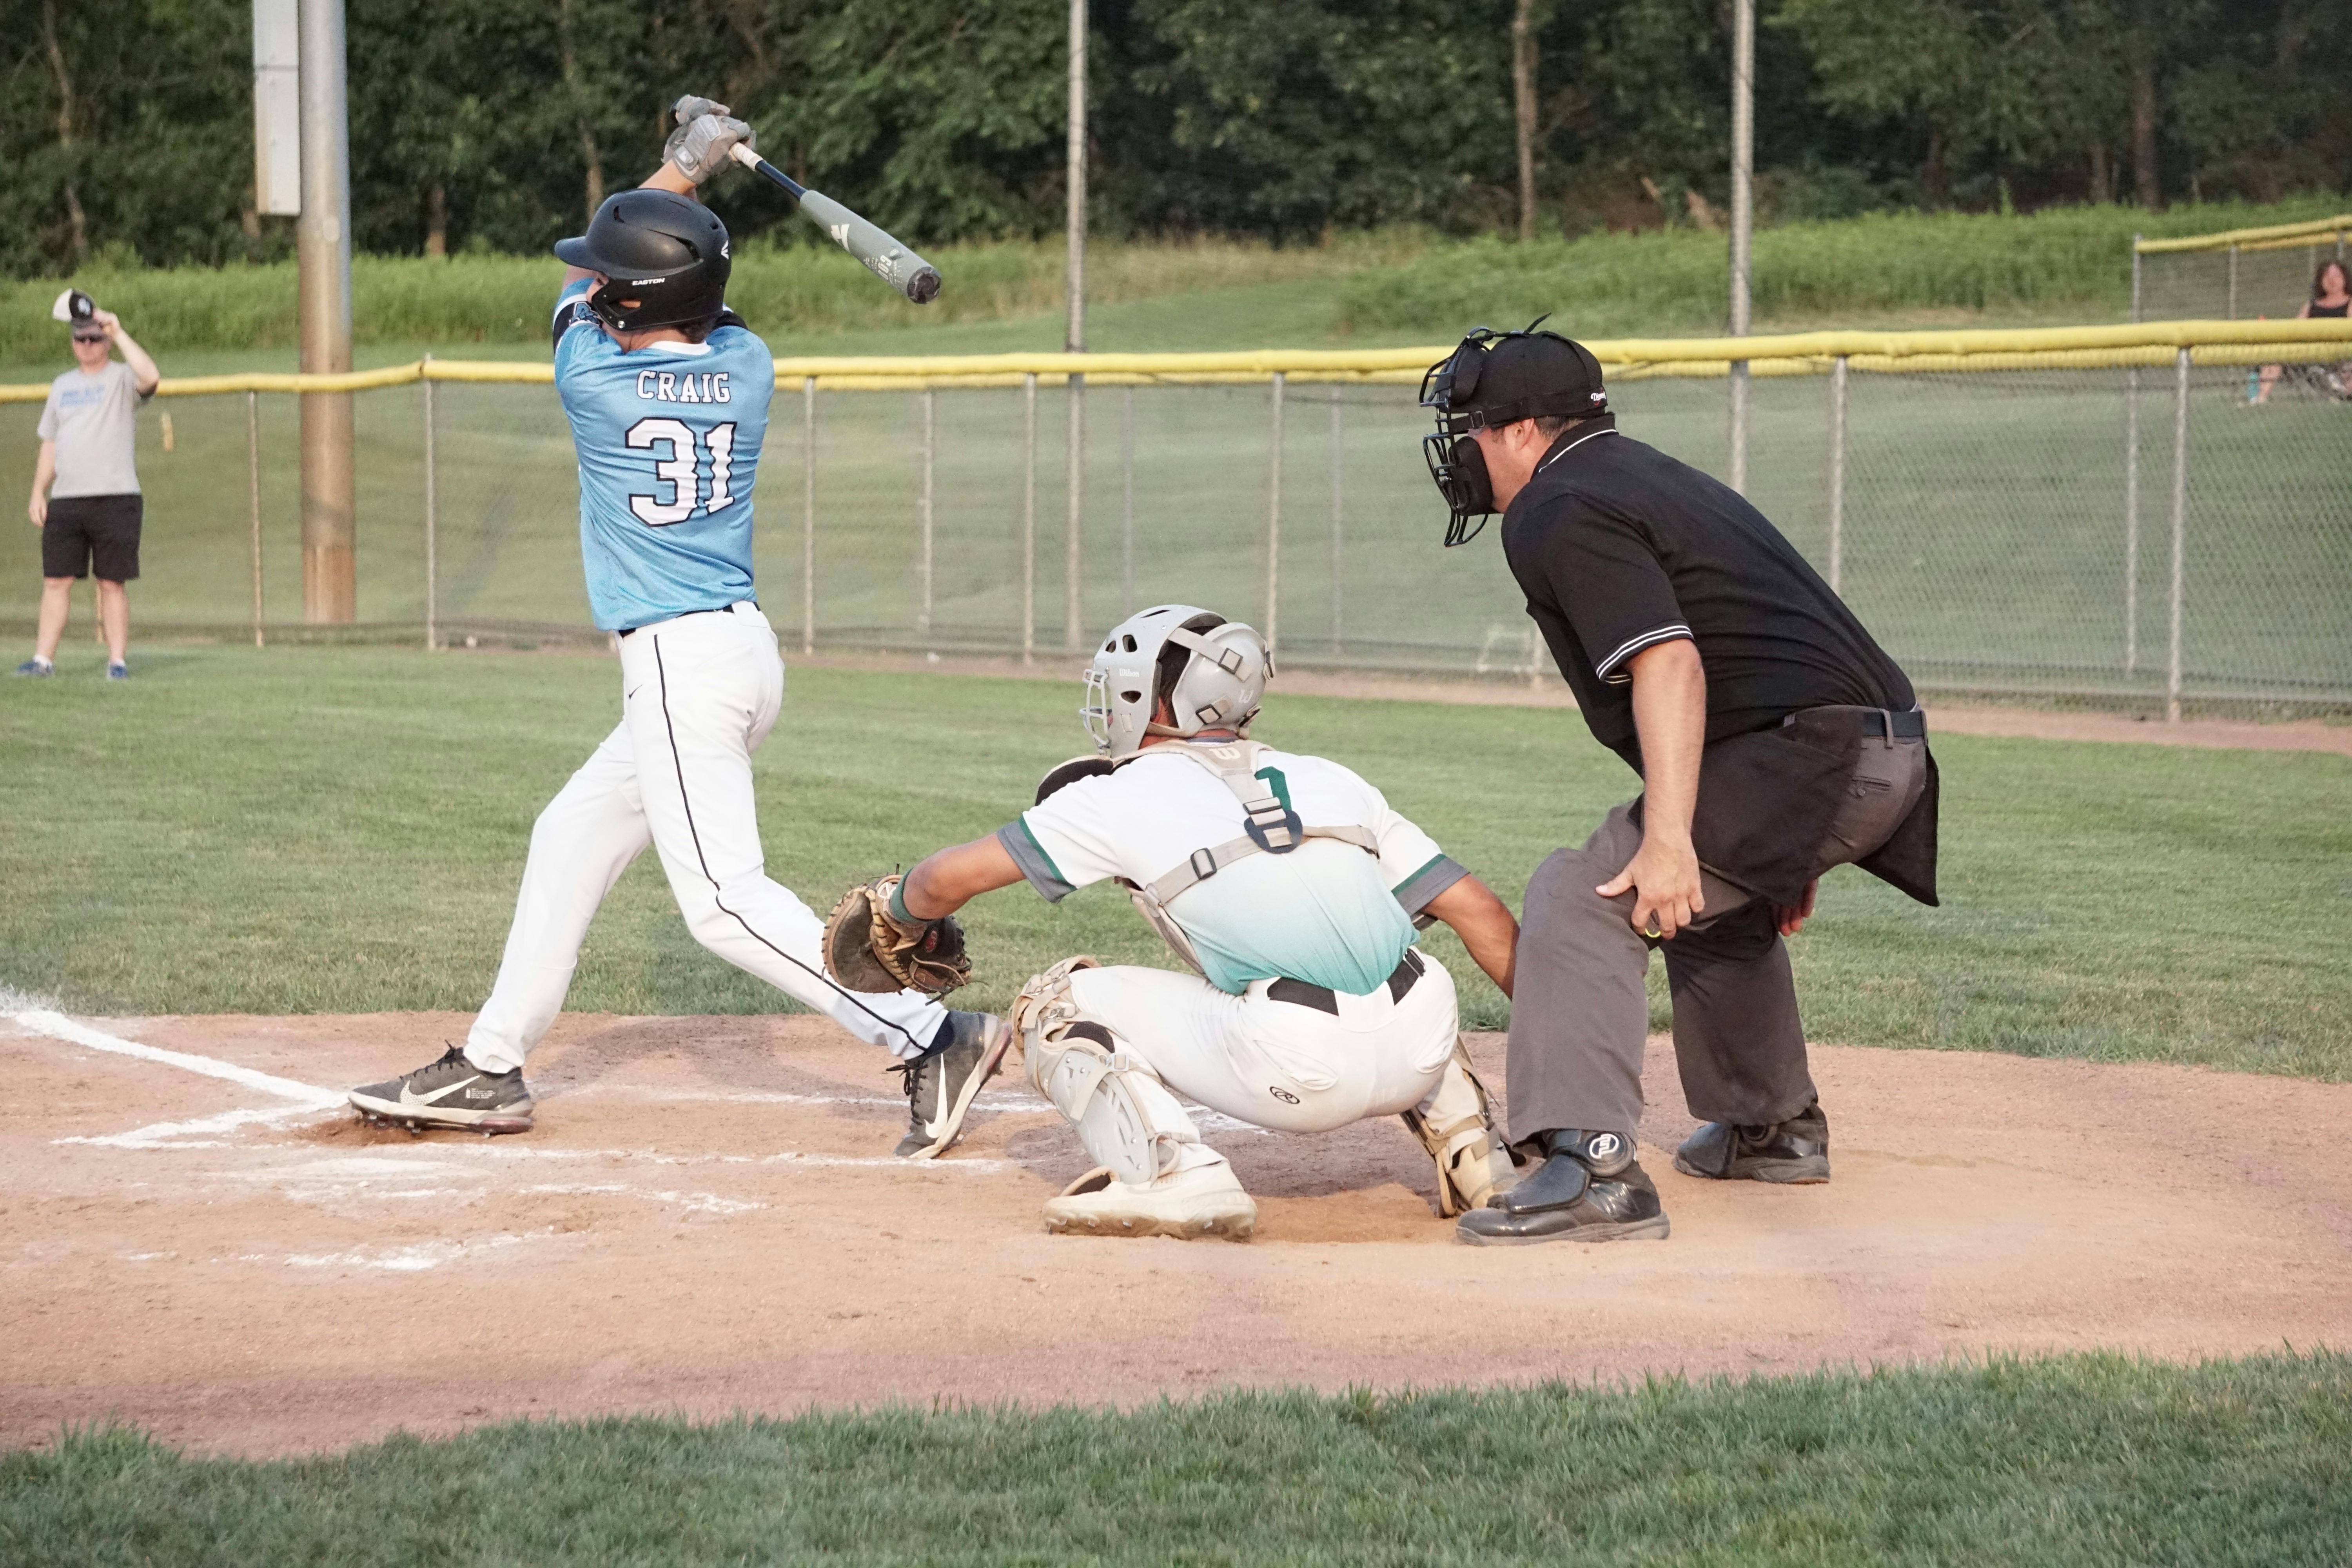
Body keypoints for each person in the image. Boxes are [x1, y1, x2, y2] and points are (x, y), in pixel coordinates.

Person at [350, 97, 1003, 1144]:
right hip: (741, 653)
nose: (595, 282)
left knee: (723, 902)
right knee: (569, 836)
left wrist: (682, 163)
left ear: (628, 297)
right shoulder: (747, 367)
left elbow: (590, 283)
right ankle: (491, 1063)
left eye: (611, 278)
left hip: (678, 664)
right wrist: (694, 197)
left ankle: (929, 1034)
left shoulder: (591, 377)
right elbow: (685, 280)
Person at [1416, 323, 1938, 1245]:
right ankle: (1770, 1126)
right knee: (1697, 898)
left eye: (1475, 431)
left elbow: (1669, 661)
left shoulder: (1557, 505)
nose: (1465, 450)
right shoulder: (1641, 473)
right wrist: (1784, 828)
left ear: (1525, 430)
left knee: (1586, 893)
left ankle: (1594, 1170)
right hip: (1868, 753)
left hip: (1811, 757)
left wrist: (1680, 835)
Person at [846, 603, 1525, 1240]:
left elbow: (945, 880)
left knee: (1054, 1001)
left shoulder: (1118, 794)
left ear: (1155, 700)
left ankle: (1174, 1176)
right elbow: (1482, 915)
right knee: (1408, 967)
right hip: (1422, 1047)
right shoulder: (1330, 777)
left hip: (1299, 1069)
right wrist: (1563, 1066)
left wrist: (900, 912)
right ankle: (1480, 1161)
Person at [18, 294, 160, 680]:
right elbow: (50, 442)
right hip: (67, 499)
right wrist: (37, 491)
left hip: (116, 496)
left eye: (95, 339)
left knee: (112, 583)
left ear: (107, 341)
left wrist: (119, 330)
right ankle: (43, 660)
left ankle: (117, 661)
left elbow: (151, 377)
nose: (87, 345)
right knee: (55, 581)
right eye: (81, 339)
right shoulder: (62, 386)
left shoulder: (122, 379)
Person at [2254, 259, 2352, 403]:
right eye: (2327, 276)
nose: (2332, 280)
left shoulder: (2350, 302)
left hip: (2341, 355)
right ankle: (2261, 397)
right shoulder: (2312, 305)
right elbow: (2296, 330)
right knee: (2275, 357)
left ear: (2345, 279)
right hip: (2312, 355)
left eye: (2337, 276)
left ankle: (2343, 394)